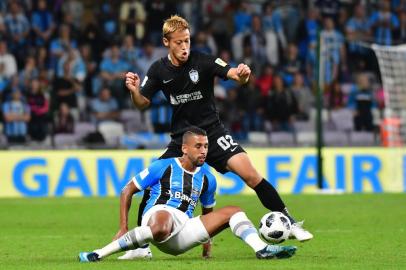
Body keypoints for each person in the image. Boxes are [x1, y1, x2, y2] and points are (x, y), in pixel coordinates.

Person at [124, 15, 312, 260]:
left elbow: (233, 73)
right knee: (151, 184)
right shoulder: (158, 70)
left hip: (213, 133)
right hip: (182, 140)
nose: (184, 47)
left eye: (187, 41)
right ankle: (141, 249)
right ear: (166, 42)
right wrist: (134, 91)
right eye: (179, 42)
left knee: (251, 175)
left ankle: (291, 222)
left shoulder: (203, 61)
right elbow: (142, 104)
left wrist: (242, 74)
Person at [78, 127, 297, 262]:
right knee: (163, 222)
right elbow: (128, 191)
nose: (203, 151)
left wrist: (206, 245)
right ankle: (98, 253)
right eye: (198, 146)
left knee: (234, 211)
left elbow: (207, 212)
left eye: (206, 146)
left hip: (183, 230)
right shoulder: (162, 166)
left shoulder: (208, 178)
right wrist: (123, 226)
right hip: (158, 216)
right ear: (184, 148)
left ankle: (262, 249)